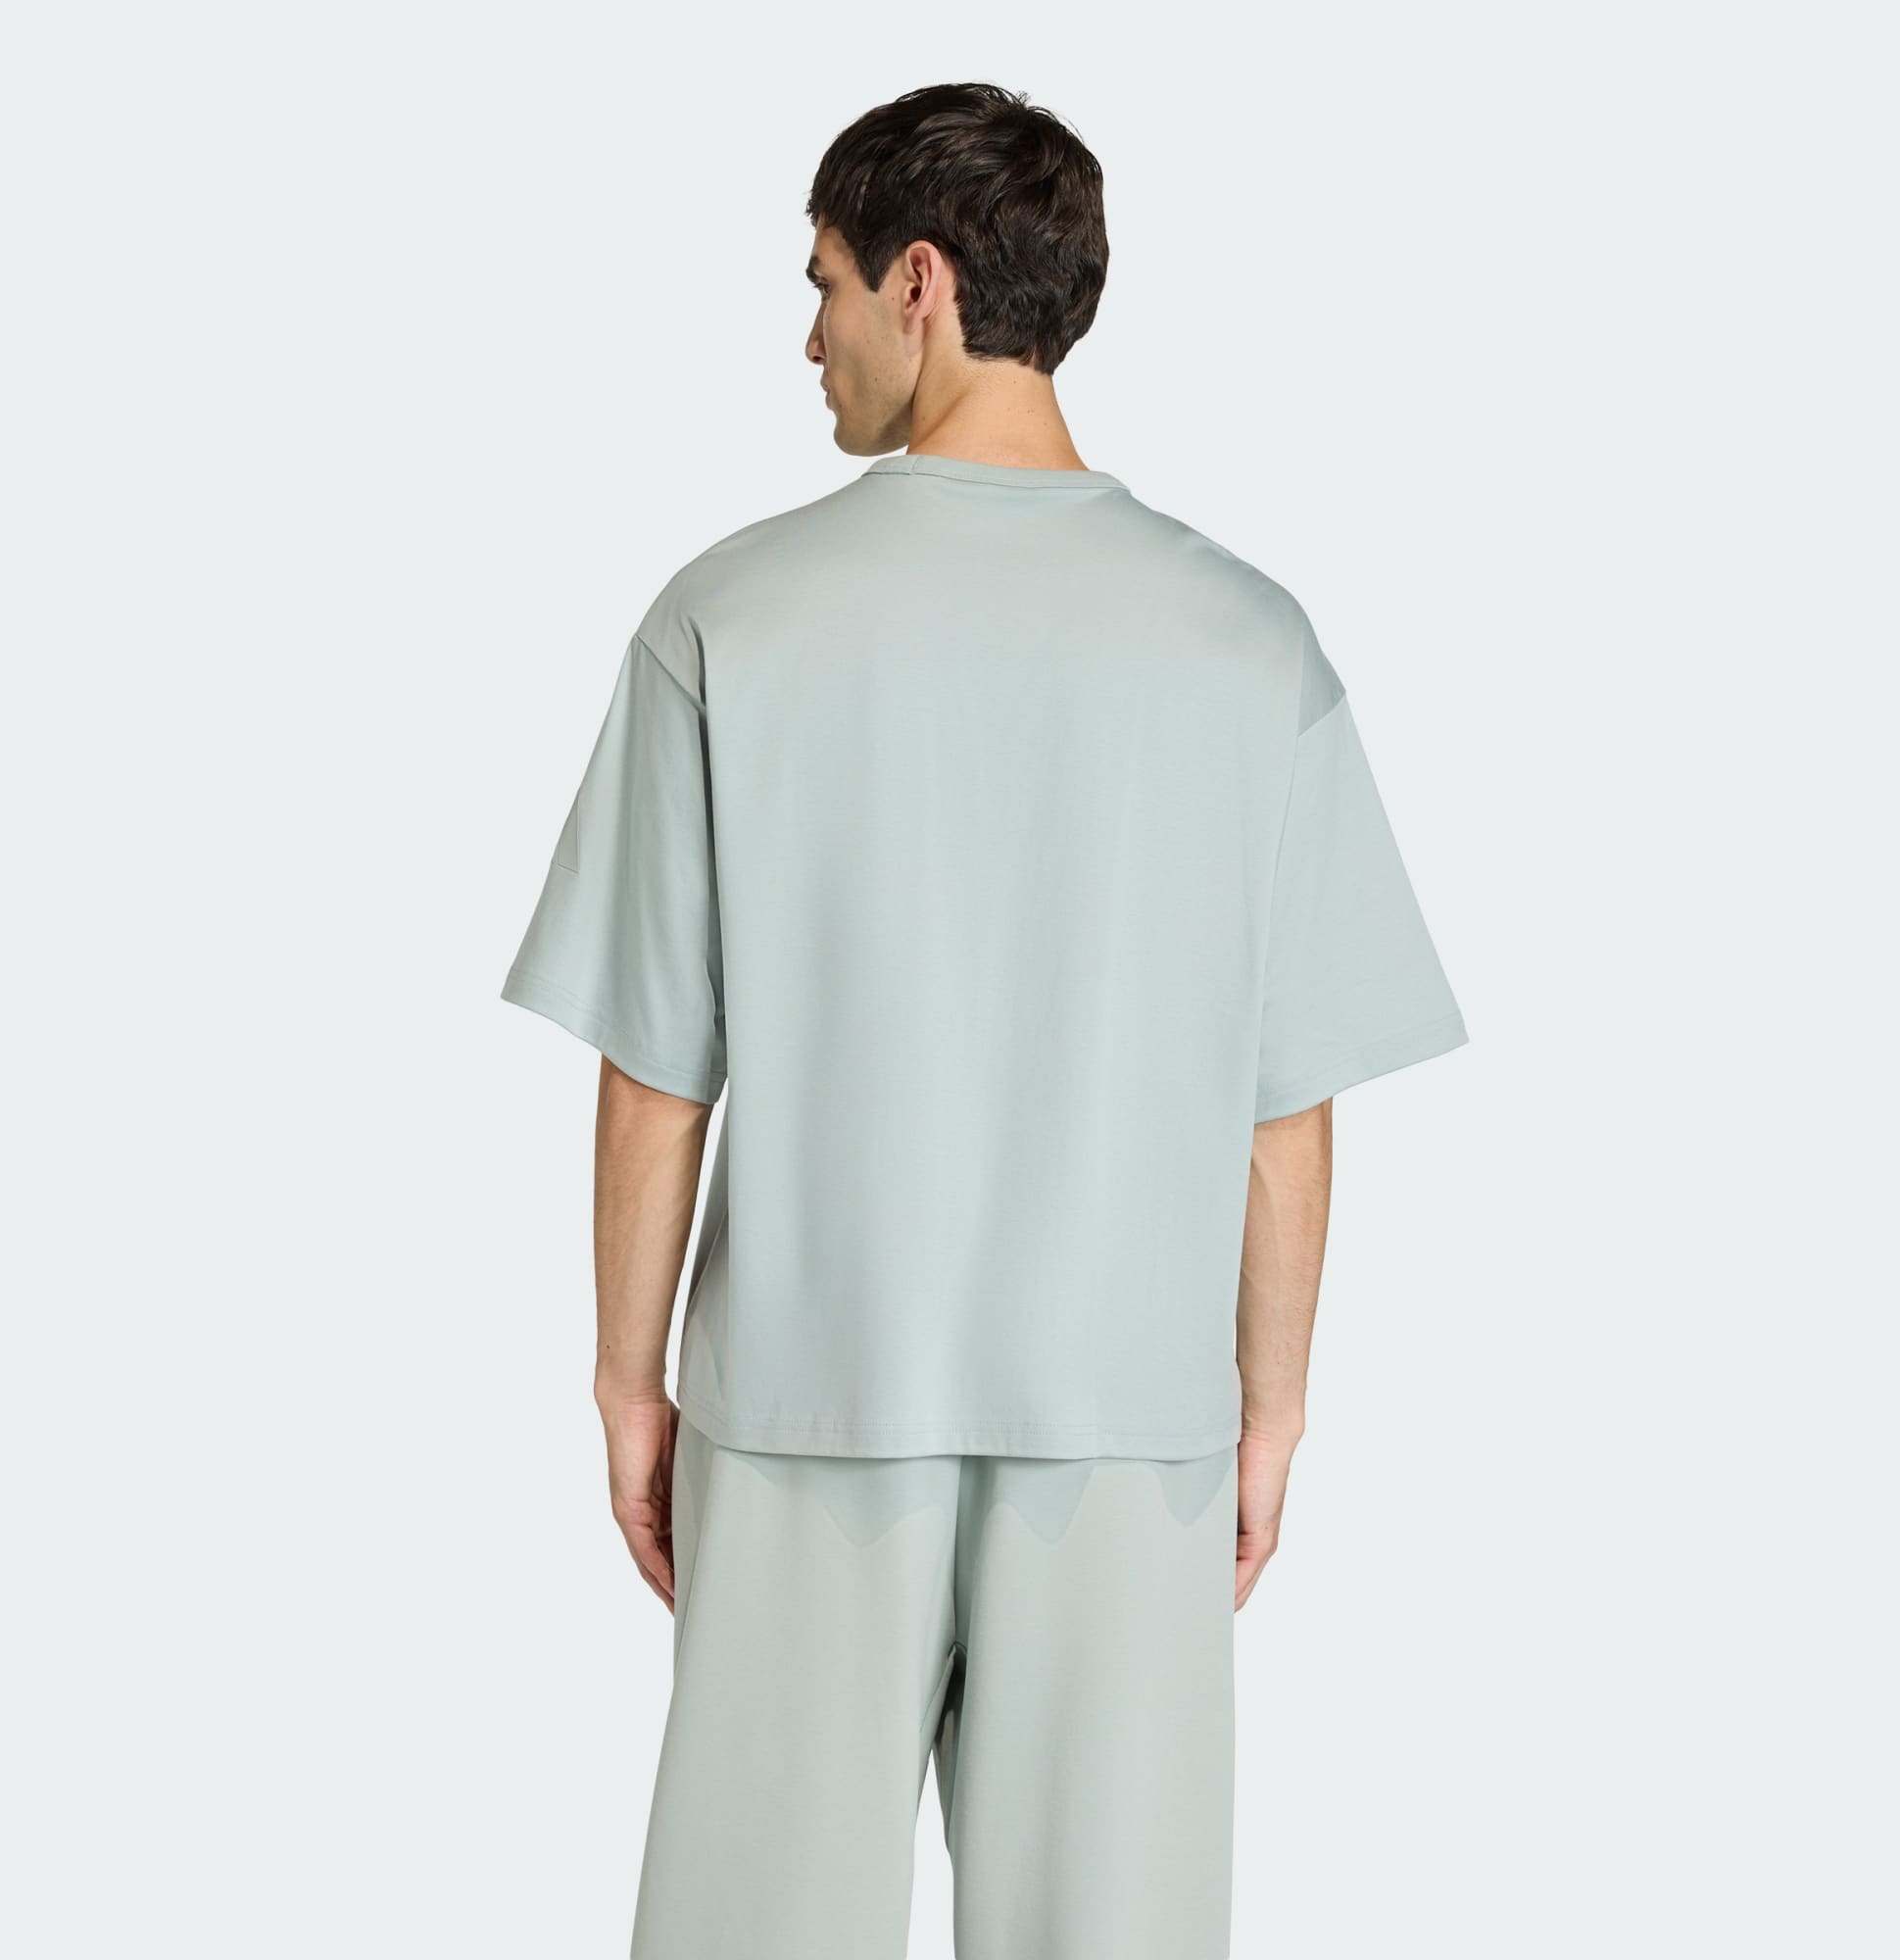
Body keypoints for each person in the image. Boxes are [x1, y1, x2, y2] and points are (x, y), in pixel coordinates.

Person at [500, 79, 1466, 1960]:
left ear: (921, 283)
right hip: (1126, 1420)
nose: (812, 337)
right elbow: (1286, 1106)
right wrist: (1270, 1413)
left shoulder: (729, 619)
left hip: (808, 1401)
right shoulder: (1249, 644)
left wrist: (628, 1389)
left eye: (824, 284)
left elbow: (652, 1073)